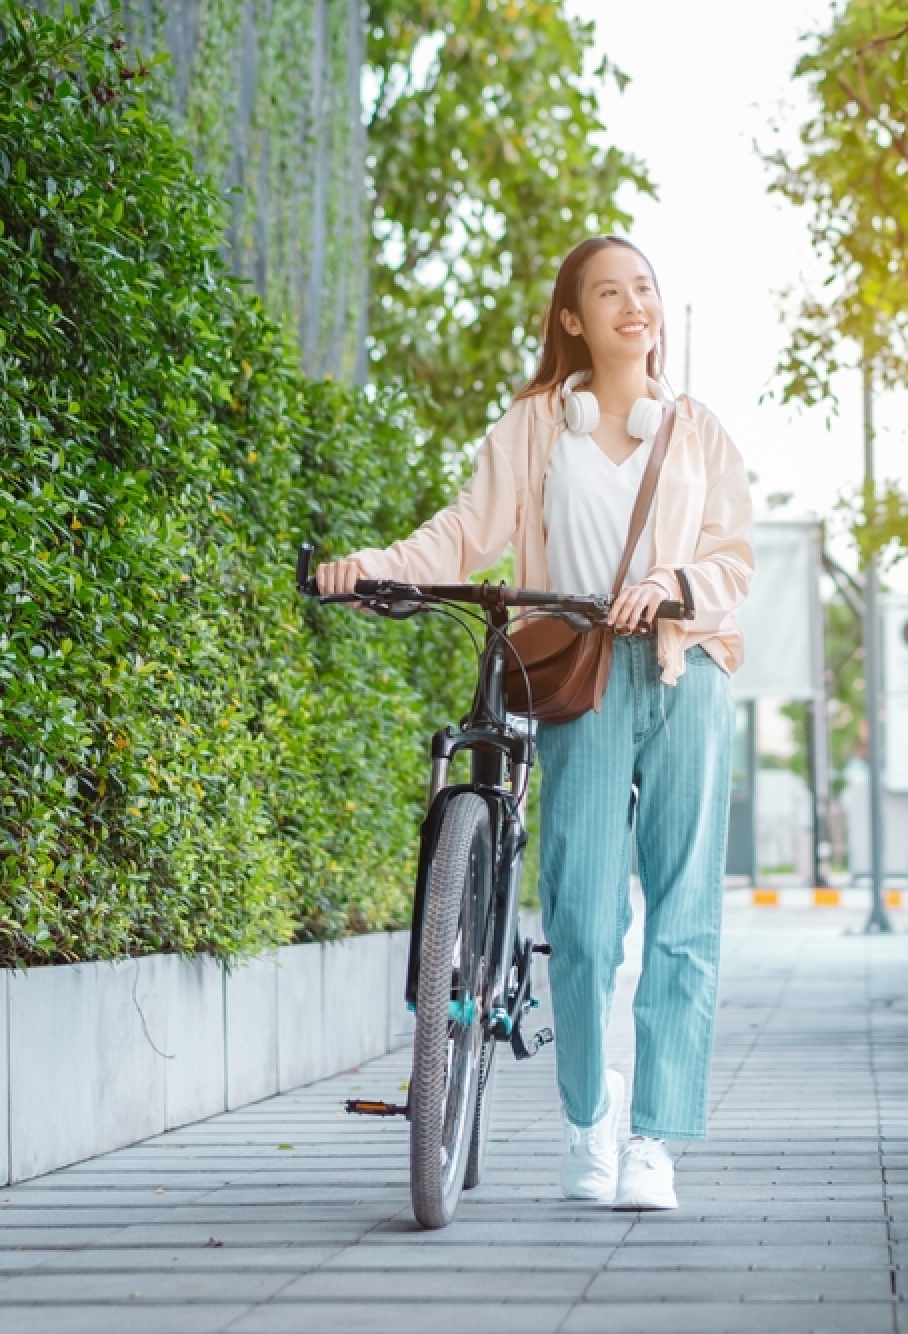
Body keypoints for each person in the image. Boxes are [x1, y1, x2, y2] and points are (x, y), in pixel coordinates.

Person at [315, 237, 752, 1211]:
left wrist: (673, 583)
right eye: (609, 291)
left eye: (644, 286)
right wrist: (369, 563)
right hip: (577, 672)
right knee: (584, 917)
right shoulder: (530, 427)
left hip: (686, 668)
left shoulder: (695, 430)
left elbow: (732, 556)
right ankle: (587, 1122)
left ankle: (654, 1141)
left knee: (683, 920)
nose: (633, 304)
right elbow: (461, 531)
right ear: (571, 317)